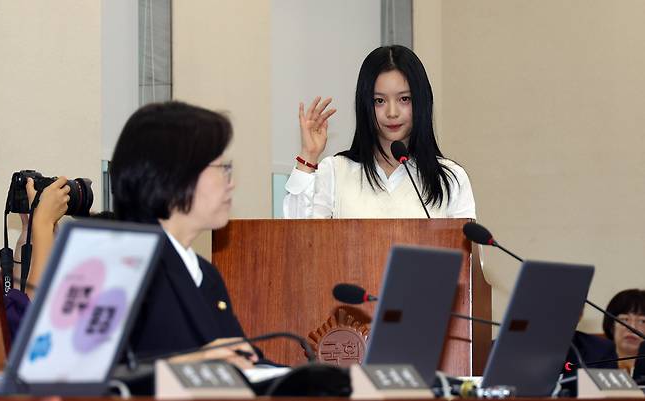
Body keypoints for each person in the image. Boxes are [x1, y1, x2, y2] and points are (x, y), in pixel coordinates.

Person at [109, 101, 258, 372]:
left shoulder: (205, 274)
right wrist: (186, 367)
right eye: (222, 168)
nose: (231, 182)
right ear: (173, 176)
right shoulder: (121, 266)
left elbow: (245, 363)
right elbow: (76, 376)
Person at [283, 45, 475, 219]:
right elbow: (297, 242)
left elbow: (465, 255)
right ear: (365, 105)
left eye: (404, 99)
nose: (392, 113)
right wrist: (308, 155)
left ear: (421, 102)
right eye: (379, 101)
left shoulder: (450, 178)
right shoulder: (336, 171)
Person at [602, 289, 645, 374]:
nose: (632, 327)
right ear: (611, 326)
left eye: (642, 321)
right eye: (624, 319)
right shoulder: (590, 364)